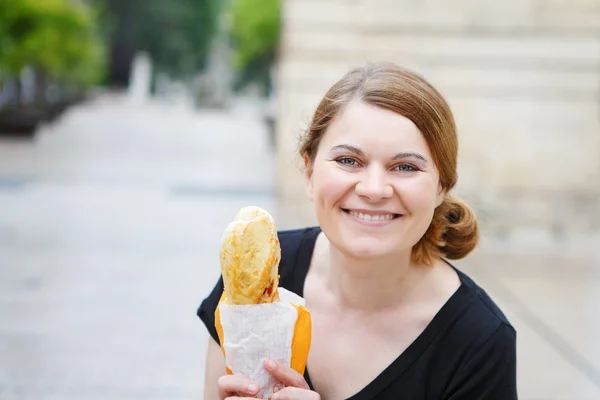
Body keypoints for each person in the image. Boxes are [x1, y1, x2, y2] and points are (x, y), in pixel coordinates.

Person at [197, 61, 518, 400]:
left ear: (442, 187)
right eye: (349, 161)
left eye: (405, 166)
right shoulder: (259, 273)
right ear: (309, 172)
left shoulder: (479, 340)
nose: (374, 189)